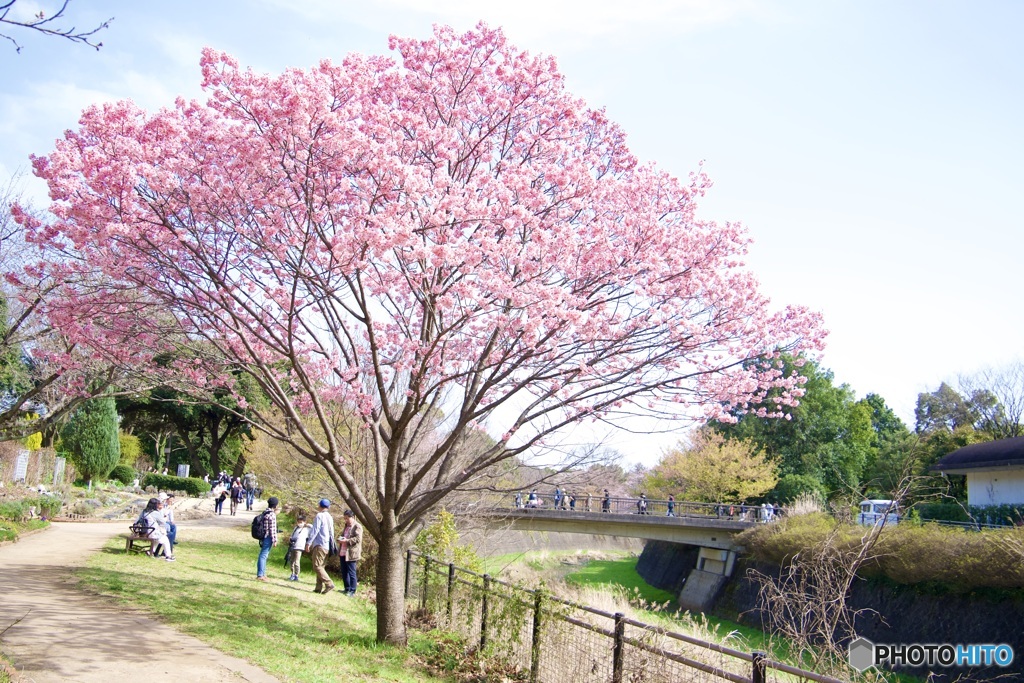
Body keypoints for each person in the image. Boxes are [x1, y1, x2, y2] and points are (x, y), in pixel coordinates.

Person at [305, 498, 336, 595]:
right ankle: (318, 588)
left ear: (320, 506)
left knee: (317, 566)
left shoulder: (320, 516)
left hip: (320, 544)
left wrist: (309, 542)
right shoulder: (330, 517)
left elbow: (315, 530)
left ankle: (329, 583)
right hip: (327, 545)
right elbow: (332, 532)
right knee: (321, 566)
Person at [337, 509, 363, 597]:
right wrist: (340, 539)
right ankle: (347, 588)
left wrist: (347, 541)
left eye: (347, 518)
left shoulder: (357, 526)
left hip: (351, 553)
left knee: (352, 572)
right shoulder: (346, 526)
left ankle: (352, 590)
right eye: (345, 518)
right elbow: (343, 536)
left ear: (353, 517)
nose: (346, 520)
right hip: (343, 551)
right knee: (344, 572)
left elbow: (358, 539)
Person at [255, 496, 279, 581]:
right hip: (268, 537)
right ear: (275, 506)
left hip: (263, 536)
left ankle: (262, 573)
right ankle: (260, 575)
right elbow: (272, 529)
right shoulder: (272, 515)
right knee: (263, 555)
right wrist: (275, 540)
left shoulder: (265, 512)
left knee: (263, 555)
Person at [287, 513, 311, 581]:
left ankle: (296, 575)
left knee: (297, 562)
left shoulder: (307, 529)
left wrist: (307, 525)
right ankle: (292, 573)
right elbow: (292, 535)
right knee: (292, 561)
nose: (299, 523)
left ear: (304, 522)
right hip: (293, 546)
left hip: (299, 547)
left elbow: (313, 528)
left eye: (301, 522)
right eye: (298, 522)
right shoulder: (296, 528)